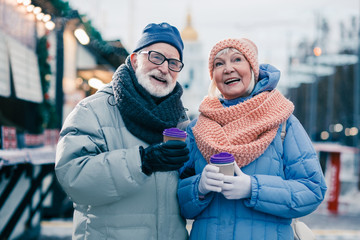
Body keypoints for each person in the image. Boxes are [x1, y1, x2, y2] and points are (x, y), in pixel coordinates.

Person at [177, 38, 327, 240]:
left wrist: (253, 188)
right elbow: (172, 197)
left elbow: (312, 189)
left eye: (237, 59)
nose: (228, 69)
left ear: (253, 69)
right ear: (214, 77)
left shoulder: (282, 122)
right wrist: (198, 188)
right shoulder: (198, 128)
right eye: (219, 64)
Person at [55, 22, 190, 240]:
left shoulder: (180, 120)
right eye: (156, 57)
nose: (164, 68)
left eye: (174, 63)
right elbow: (73, 178)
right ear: (135, 60)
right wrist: (142, 162)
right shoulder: (92, 110)